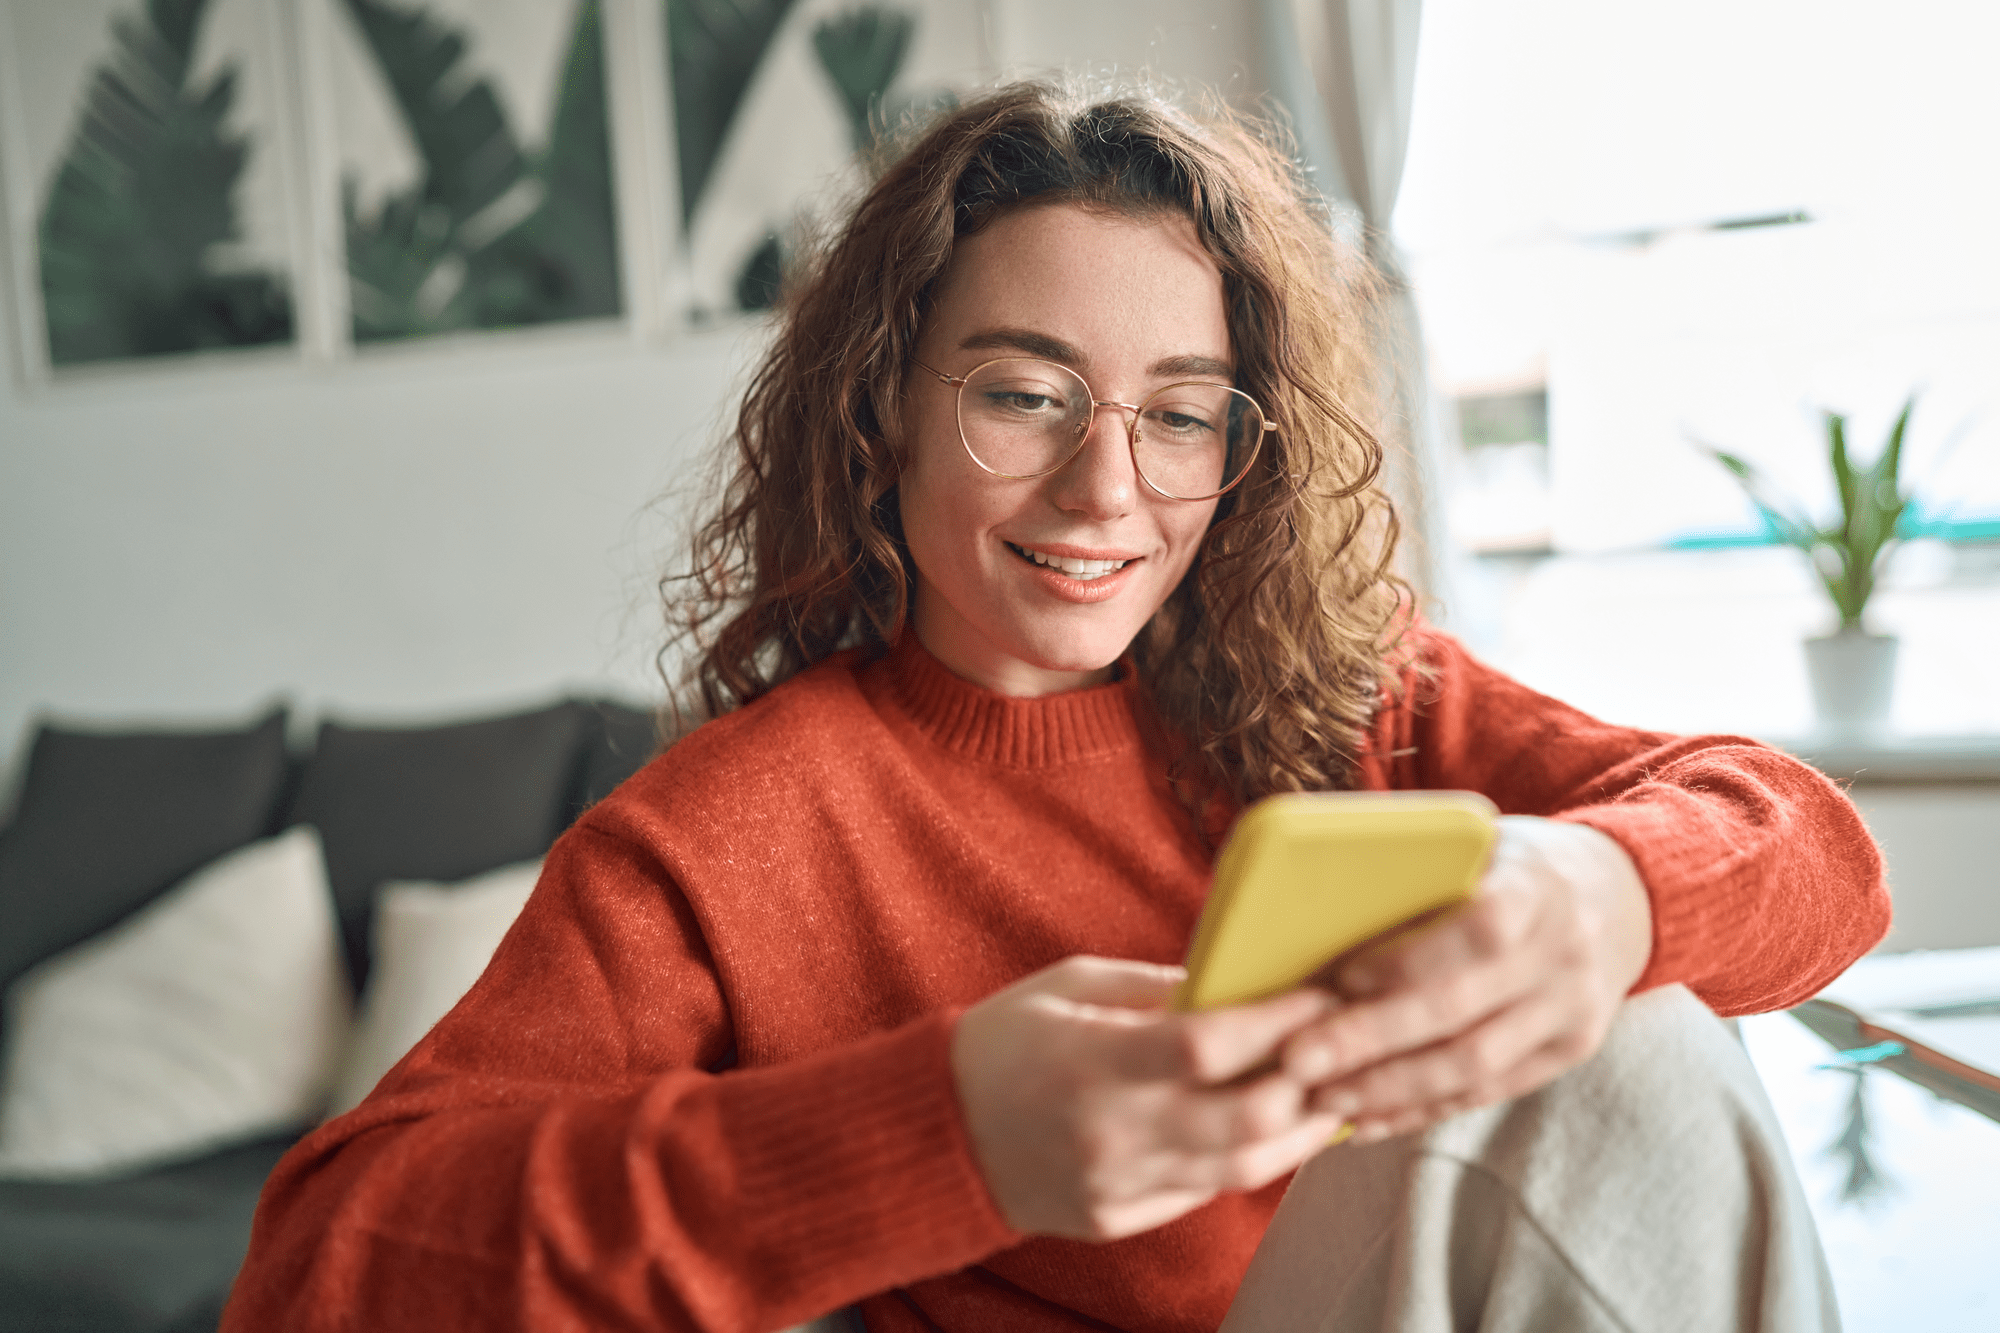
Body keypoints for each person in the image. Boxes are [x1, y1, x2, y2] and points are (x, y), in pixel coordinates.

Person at [223, 84, 1888, 1333]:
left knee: (1644, 1022)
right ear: (882, 404)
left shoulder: (1355, 699)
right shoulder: (720, 841)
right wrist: (942, 1137)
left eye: (1181, 416)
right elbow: (317, 1274)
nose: (1107, 489)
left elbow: (1815, 852)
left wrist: (1598, 896)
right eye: (1024, 394)